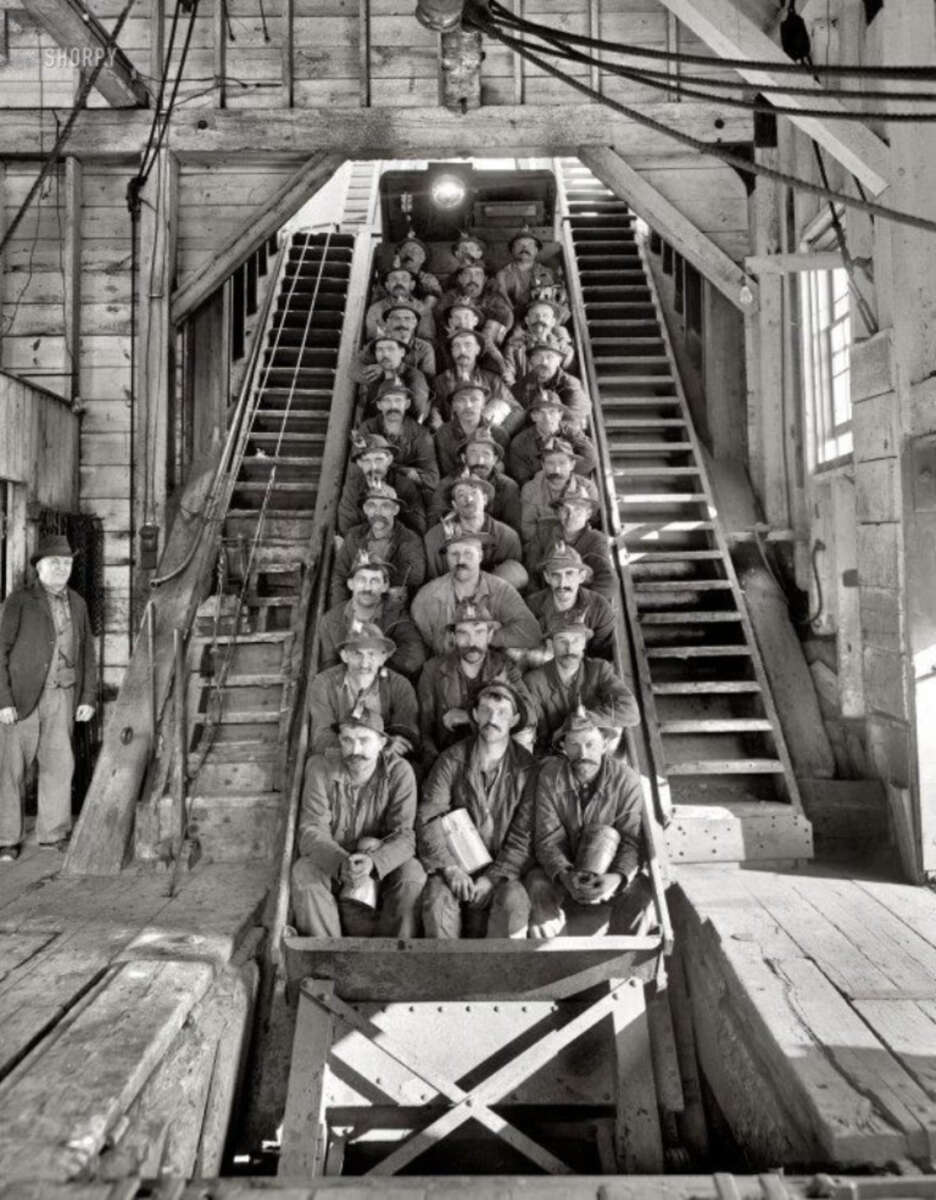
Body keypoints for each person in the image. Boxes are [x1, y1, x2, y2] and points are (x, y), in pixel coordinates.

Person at [0, 535, 97, 859]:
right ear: (39, 567)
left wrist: (87, 697)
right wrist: (4, 701)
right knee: (10, 769)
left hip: (62, 698)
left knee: (59, 765)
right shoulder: (20, 600)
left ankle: (53, 833)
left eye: (67, 563)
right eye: (54, 562)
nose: (61, 568)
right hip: (23, 698)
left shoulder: (78, 603)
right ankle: (6, 839)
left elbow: (87, 655)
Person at [291, 705, 426, 937]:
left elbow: (405, 836)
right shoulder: (320, 768)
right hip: (334, 861)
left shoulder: (399, 772)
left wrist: (374, 863)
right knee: (304, 871)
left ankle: (394, 958)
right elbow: (311, 830)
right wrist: (341, 862)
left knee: (412, 872)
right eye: (347, 740)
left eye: (364, 740)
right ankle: (326, 959)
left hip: (378, 865)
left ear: (382, 743)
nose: (355, 750)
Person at [418, 681, 537, 939]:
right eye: (485, 710)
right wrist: (450, 868)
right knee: (436, 899)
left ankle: (503, 973)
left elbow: (524, 835)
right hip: (456, 866)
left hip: (502, 871)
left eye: (502, 712)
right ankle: (445, 975)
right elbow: (429, 818)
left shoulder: (528, 769)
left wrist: (493, 878)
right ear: (474, 715)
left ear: (514, 719)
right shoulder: (451, 759)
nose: (492, 719)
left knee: (515, 899)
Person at [527, 704, 651, 939]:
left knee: (642, 892)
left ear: (605, 744)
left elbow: (631, 841)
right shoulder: (550, 777)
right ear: (563, 747)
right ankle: (552, 964)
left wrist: (616, 878)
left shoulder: (627, 780)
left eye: (590, 744)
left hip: (608, 873)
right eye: (574, 744)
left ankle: (621, 969)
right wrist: (565, 875)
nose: (582, 753)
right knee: (536, 884)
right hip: (564, 871)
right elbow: (547, 839)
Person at [417, 599, 533, 763]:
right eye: (463, 633)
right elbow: (424, 730)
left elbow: (530, 713)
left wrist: (469, 717)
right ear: (453, 636)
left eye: (479, 632)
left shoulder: (504, 666)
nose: (472, 642)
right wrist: (437, 764)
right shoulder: (432, 670)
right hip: (448, 759)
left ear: (490, 635)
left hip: (495, 758)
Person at [410, 528, 541, 656]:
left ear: (480, 556)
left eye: (468, 553)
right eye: (454, 554)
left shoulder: (501, 590)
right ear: (446, 558)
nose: (460, 560)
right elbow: (422, 652)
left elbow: (531, 633)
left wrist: (488, 637)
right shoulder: (425, 598)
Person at [523, 617, 639, 753]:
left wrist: (586, 719)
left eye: (576, 641)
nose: (569, 648)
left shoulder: (599, 670)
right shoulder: (533, 682)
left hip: (594, 751)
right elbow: (537, 738)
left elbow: (630, 711)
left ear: (584, 643)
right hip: (556, 754)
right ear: (551, 644)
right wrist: (564, 733)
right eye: (562, 641)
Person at [307, 621, 419, 757]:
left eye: (372, 654)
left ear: (383, 657)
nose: (364, 663)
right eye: (357, 654)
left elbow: (405, 732)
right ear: (344, 656)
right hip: (341, 757)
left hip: (385, 758)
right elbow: (321, 738)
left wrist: (386, 746)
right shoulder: (323, 684)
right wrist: (357, 750)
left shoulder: (400, 685)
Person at [321, 548, 426, 679]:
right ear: (350, 584)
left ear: (385, 586)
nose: (367, 588)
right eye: (361, 580)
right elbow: (328, 666)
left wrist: (374, 672)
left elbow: (415, 657)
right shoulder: (331, 621)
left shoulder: (396, 617)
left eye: (374, 581)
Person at [424, 469, 526, 591]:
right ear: (454, 505)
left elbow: (515, 581)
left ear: (485, 499)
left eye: (474, 493)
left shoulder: (507, 537)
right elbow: (433, 586)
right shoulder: (435, 538)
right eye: (461, 495)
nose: (469, 499)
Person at [330, 482, 426, 608]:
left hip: (391, 609)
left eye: (385, 506)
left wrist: (376, 567)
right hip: (356, 607)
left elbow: (415, 577)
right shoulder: (354, 535)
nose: (377, 513)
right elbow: (339, 575)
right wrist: (340, 609)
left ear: (395, 510)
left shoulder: (410, 539)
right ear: (365, 509)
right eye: (371, 506)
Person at [524, 475, 615, 600]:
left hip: (580, 599)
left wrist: (583, 604)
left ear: (588, 513)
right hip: (548, 598)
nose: (571, 516)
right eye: (565, 510)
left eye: (577, 510)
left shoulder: (596, 540)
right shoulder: (545, 531)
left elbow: (607, 580)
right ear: (557, 513)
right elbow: (532, 569)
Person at [527, 541, 616, 660]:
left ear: (581, 576)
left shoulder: (600, 610)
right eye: (555, 575)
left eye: (569, 573)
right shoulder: (532, 606)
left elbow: (601, 655)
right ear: (547, 577)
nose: (562, 583)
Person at [428, 426, 521, 531]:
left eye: (486, 454)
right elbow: (435, 525)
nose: (480, 460)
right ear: (464, 458)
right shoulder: (447, 485)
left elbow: (513, 530)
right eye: (473, 453)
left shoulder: (508, 487)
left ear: (495, 460)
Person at [337, 431, 426, 536]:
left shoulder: (405, 486)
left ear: (389, 460)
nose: (373, 467)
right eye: (367, 461)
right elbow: (346, 528)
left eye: (379, 460)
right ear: (359, 464)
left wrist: (391, 502)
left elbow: (418, 528)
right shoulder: (353, 488)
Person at [359, 380, 439, 495]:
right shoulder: (367, 428)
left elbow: (433, 480)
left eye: (398, 400)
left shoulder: (422, 434)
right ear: (379, 405)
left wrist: (387, 467)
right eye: (387, 401)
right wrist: (405, 470)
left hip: (408, 493)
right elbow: (359, 466)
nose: (393, 406)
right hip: (374, 490)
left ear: (407, 404)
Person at [430, 330, 518, 430]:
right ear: (451, 351)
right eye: (457, 346)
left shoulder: (492, 380)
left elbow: (516, 409)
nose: (462, 351)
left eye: (468, 345)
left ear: (477, 349)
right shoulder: (441, 381)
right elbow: (435, 408)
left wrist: (501, 432)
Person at [507, 390, 597, 487]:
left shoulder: (573, 434)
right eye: (541, 413)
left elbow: (590, 460)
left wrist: (562, 478)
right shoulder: (520, 443)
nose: (547, 418)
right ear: (533, 416)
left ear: (560, 415)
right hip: (540, 492)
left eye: (552, 412)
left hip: (571, 487)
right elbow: (523, 479)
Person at [520, 438, 600, 544]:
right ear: (543, 465)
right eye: (550, 463)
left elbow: (591, 523)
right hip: (544, 546)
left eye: (562, 463)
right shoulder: (530, 490)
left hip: (578, 545)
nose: (556, 470)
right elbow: (527, 529)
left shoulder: (588, 488)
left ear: (572, 465)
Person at [433, 386, 509, 480]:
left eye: (474, 400)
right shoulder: (443, 433)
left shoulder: (498, 433)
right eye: (461, 400)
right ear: (453, 406)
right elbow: (446, 470)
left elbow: (501, 469)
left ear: (483, 404)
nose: (468, 405)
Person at [351, 299, 436, 382]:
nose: (402, 323)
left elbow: (427, 380)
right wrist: (372, 374)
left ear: (415, 323)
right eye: (396, 318)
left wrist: (387, 371)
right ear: (388, 322)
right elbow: (353, 371)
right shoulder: (377, 345)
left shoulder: (424, 348)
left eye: (407, 319)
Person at [513, 337, 590, 425]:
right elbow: (515, 405)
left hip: (563, 431)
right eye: (538, 357)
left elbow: (575, 416)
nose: (544, 362)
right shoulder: (525, 383)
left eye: (550, 357)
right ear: (531, 361)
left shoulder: (570, 384)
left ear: (559, 361)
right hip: (534, 430)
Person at [357, 332, 430, 420]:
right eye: (380, 350)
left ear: (402, 352)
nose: (385, 354)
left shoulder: (414, 377)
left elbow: (416, 413)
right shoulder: (376, 375)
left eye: (390, 349)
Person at [502, 298, 574, 386]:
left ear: (552, 322)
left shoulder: (563, 347)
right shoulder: (515, 346)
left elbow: (570, 377)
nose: (540, 319)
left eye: (545, 316)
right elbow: (508, 374)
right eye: (535, 315)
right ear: (527, 321)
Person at [434, 296, 506, 377]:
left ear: (475, 321)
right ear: (450, 322)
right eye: (457, 318)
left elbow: (498, 369)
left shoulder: (486, 344)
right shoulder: (443, 347)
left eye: (466, 317)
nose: (462, 322)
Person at [491, 227, 556, 312]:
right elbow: (497, 301)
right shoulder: (502, 275)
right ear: (512, 250)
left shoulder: (547, 273)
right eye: (519, 244)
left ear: (536, 250)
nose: (524, 248)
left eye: (529, 245)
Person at [366, 263, 435, 340]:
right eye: (393, 279)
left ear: (412, 285)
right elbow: (373, 339)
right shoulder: (375, 309)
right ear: (387, 285)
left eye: (404, 279)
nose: (399, 283)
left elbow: (426, 340)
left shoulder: (422, 309)